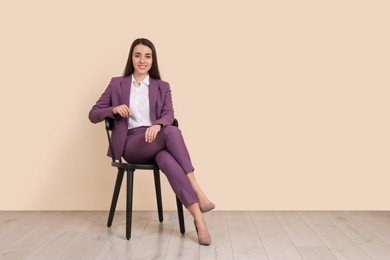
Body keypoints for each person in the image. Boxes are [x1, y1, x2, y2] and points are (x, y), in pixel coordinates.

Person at [88, 38, 215, 245]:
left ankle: (199, 221)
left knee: (167, 159)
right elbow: (93, 114)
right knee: (172, 132)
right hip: (131, 144)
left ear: (152, 60)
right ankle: (198, 190)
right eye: (137, 55)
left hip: (155, 138)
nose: (142, 60)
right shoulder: (116, 84)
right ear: (131, 57)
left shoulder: (161, 86)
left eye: (147, 56)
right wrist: (113, 109)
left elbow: (168, 113)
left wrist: (156, 125)